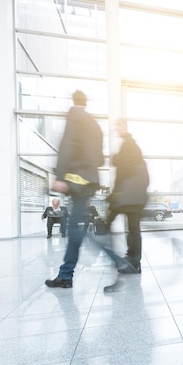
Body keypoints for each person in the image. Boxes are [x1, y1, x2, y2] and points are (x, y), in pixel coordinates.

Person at [45, 90, 133, 288]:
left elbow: (67, 145)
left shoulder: (74, 115)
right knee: (76, 228)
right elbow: (100, 158)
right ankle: (66, 274)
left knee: (76, 230)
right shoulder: (94, 125)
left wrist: (60, 177)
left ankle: (117, 261)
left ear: (74, 101)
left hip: (77, 181)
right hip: (90, 181)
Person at [106, 119, 149, 273]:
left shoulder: (129, 144)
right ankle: (132, 258)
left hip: (131, 195)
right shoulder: (129, 144)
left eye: (118, 126)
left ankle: (134, 262)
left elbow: (124, 171)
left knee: (133, 229)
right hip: (134, 195)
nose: (116, 129)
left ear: (124, 127)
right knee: (132, 228)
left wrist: (116, 159)